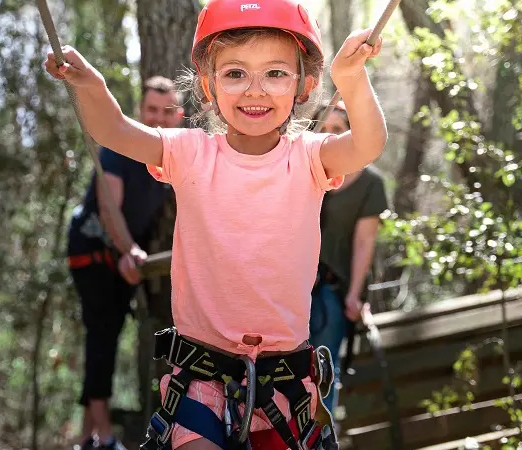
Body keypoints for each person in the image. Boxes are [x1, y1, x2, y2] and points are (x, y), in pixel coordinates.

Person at [45, 0, 388, 447]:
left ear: (304, 85)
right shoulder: (189, 153)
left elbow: (367, 144)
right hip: (200, 375)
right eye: (235, 73)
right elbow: (115, 130)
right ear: (207, 86)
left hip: (284, 380)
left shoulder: (309, 157)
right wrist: (88, 85)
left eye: (275, 73)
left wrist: (352, 78)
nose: (255, 90)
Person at [66, 76, 185, 450]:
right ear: (140, 111)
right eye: (151, 110)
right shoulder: (120, 147)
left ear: (179, 116)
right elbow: (107, 207)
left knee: (109, 334)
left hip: (121, 256)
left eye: (166, 112)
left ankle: (87, 435)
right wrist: (128, 250)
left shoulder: (173, 156)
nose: (157, 119)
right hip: (94, 251)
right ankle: (103, 436)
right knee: (103, 333)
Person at [309, 101, 390, 418]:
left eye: (337, 130)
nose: (329, 137)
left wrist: (354, 295)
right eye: (323, 129)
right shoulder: (303, 170)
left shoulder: (371, 184)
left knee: (324, 376)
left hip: (332, 293)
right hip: (288, 292)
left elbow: (363, 242)